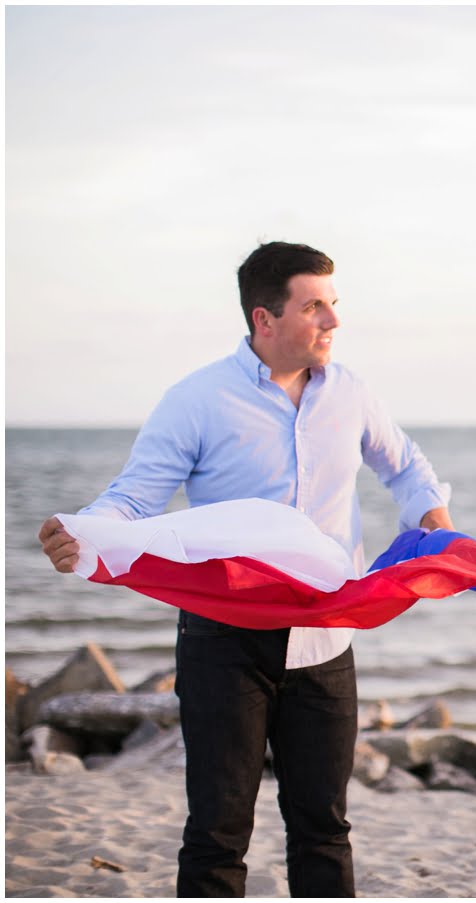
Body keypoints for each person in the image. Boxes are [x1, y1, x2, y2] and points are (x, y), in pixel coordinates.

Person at [36, 241, 453, 898]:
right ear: (265, 319)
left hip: (326, 643)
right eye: (314, 306)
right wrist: (85, 532)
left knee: (323, 826)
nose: (332, 321)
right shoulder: (197, 399)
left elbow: (404, 466)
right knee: (218, 830)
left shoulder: (351, 393)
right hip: (223, 642)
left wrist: (432, 519)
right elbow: (137, 495)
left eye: (333, 304)